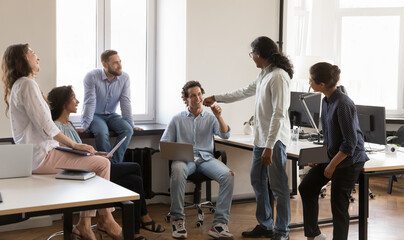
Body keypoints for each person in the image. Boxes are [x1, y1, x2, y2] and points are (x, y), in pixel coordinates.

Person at [1, 43, 122, 240]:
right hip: (41, 157)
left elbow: (43, 131)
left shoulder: (19, 85)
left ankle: (85, 223)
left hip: (40, 155)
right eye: (33, 53)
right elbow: (46, 127)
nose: (37, 57)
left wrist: (79, 151)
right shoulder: (27, 84)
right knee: (102, 164)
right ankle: (104, 219)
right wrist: (75, 145)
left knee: (94, 160)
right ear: (22, 59)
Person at [203, 36, 293, 240]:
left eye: (252, 53)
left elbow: (279, 114)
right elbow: (243, 92)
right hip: (261, 140)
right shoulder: (264, 74)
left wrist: (270, 147)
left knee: (278, 187)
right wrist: (217, 97)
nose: (251, 57)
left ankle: (282, 232)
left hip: (274, 141)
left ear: (259, 54)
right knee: (257, 180)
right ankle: (266, 224)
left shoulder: (278, 77)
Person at [47, 86, 165, 239]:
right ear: (64, 103)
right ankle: (138, 220)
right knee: (135, 167)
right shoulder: (56, 127)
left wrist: (97, 153)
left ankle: (134, 230)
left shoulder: (69, 125)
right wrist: (95, 158)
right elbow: (67, 157)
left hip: (90, 165)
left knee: (134, 180)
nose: (77, 101)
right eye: (73, 98)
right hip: (83, 171)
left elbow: (78, 151)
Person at [298, 62, 369, 240]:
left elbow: (350, 143)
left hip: (349, 159)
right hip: (334, 155)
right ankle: (313, 234)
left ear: (321, 84)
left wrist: (331, 165)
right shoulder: (326, 100)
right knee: (306, 187)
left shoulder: (343, 104)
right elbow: (329, 136)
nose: (309, 82)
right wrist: (321, 158)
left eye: (311, 80)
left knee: (338, 203)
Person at [161, 81, 234, 240]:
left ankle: (219, 225)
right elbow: (164, 145)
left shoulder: (210, 117)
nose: (197, 98)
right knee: (178, 170)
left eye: (199, 94)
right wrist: (177, 152)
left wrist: (219, 116)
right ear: (186, 99)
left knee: (228, 175)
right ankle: (178, 220)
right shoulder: (177, 119)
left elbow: (225, 134)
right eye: (193, 95)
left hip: (207, 159)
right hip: (185, 159)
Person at [80, 49, 142, 164]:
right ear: (104, 64)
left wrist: (131, 124)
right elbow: (90, 102)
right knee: (102, 132)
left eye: (120, 61)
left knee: (127, 130)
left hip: (111, 115)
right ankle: (106, 165)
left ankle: (114, 165)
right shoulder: (91, 76)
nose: (120, 66)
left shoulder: (125, 78)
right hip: (95, 115)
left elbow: (125, 102)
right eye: (115, 63)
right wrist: (85, 126)